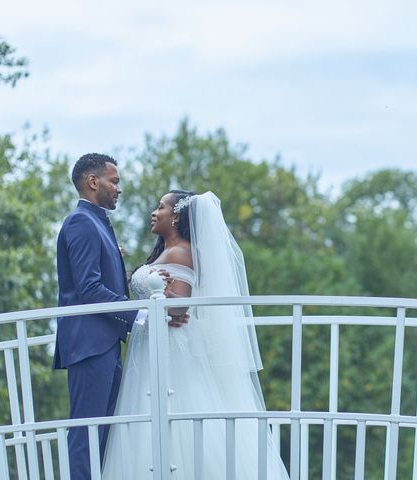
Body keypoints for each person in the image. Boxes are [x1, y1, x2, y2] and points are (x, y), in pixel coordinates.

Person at [102, 190, 290, 479]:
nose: (154, 212)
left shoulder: (182, 251)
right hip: (151, 344)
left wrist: (162, 300)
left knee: (174, 413)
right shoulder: (166, 252)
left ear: (175, 216)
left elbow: (179, 307)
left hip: (172, 348)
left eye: (160, 207)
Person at [53, 154, 184, 480]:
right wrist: (144, 312)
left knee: (105, 433)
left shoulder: (97, 222)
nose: (119, 188)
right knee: (87, 431)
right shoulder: (82, 222)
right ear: (93, 181)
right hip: (89, 344)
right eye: (114, 181)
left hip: (105, 343)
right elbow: (90, 289)